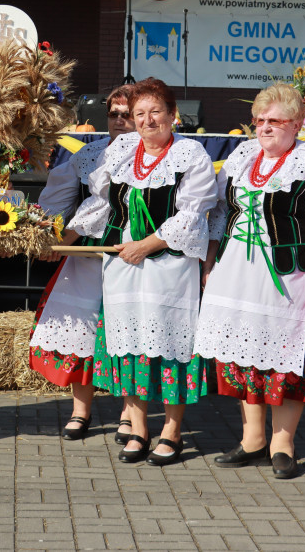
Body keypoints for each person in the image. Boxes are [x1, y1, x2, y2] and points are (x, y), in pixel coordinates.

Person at [194, 83, 305, 479]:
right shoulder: (242, 157)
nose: (264, 128)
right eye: (258, 121)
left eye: (274, 121)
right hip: (235, 272)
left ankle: (283, 444)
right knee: (241, 356)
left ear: (296, 124)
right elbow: (219, 215)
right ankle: (252, 440)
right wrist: (210, 264)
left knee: (284, 363)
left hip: (288, 275)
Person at [69, 77, 217, 466]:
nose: (148, 121)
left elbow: (192, 213)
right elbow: (103, 204)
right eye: (139, 114)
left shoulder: (190, 154)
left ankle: (172, 431)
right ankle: (138, 428)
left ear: (172, 115)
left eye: (156, 112)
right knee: (128, 343)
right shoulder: (121, 150)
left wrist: (147, 244)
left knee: (170, 346)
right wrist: (67, 234)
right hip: (120, 264)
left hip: (168, 265)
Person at [30, 85, 136, 442]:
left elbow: (102, 205)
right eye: (114, 114)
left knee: (126, 328)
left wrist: (63, 243)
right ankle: (80, 411)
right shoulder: (89, 154)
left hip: (131, 252)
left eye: (128, 114)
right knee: (82, 328)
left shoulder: (152, 154)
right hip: (88, 252)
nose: (120, 121)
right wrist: (36, 235)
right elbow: (57, 199)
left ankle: (128, 415)